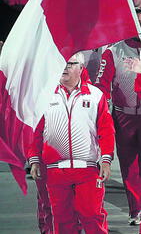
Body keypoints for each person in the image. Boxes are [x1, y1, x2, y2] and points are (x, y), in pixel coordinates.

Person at [28, 53, 115, 234]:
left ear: (81, 69)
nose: (64, 68)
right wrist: (34, 159)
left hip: (88, 169)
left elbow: (106, 130)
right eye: (61, 64)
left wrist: (106, 159)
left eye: (70, 64)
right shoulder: (44, 95)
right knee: (62, 221)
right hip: (55, 170)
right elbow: (35, 131)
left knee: (92, 216)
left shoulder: (95, 95)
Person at [95, 9, 141, 226]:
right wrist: (103, 114)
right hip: (124, 116)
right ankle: (135, 209)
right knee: (129, 165)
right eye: (136, 23)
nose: (140, 27)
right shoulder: (113, 52)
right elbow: (102, 86)